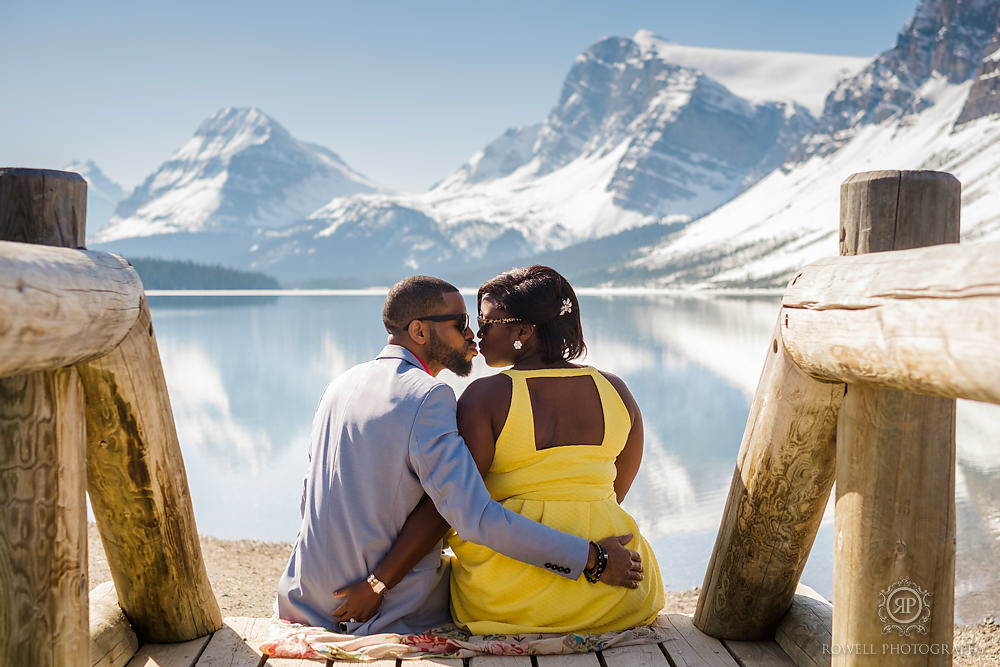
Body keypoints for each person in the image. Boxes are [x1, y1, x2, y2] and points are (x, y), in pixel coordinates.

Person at [276, 275, 643, 635]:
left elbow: (311, 493)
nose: (474, 335)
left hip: (305, 593)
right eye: (464, 323)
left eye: (479, 323)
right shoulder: (430, 396)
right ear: (419, 332)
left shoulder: (339, 385)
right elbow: (474, 515)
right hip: (389, 606)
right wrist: (593, 557)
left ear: (524, 332)